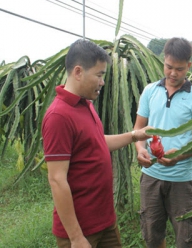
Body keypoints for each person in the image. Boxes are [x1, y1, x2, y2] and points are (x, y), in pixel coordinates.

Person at [42, 39, 152, 248]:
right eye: (99, 75)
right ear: (78, 72)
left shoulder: (85, 104)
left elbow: (97, 143)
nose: (102, 82)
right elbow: (57, 179)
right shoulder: (59, 116)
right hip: (81, 231)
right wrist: (75, 237)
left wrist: (136, 135)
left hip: (104, 221)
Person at [134, 37, 192, 248]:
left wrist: (181, 154)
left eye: (180, 69)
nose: (173, 73)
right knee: (152, 235)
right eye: (169, 67)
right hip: (151, 177)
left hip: (181, 179)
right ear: (163, 61)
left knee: (186, 237)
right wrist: (140, 150)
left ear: (189, 66)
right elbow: (138, 130)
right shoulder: (150, 91)